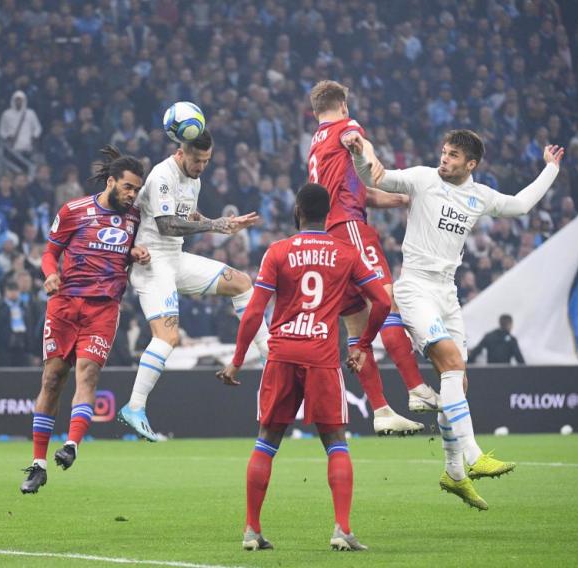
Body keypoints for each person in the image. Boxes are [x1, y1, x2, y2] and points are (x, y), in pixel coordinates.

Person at [354, 128, 563, 508]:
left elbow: (519, 205)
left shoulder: (478, 195)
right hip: (415, 287)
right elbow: (375, 177)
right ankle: (472, 453)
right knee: (451, 361)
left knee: (457, 382)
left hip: (448, 294)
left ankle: (453, 473)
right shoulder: (421, 178)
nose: (444, 159)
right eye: (444, 152)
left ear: (471, 164)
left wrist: (551, 170)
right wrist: (359, 155)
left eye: (452, 156)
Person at [217, 183, 390, 552]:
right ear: (328, 215)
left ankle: (251, 530)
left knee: (267, 440)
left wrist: (236, 361)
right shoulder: (346, 253)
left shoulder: (277, 251)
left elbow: (252, 313)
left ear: (297, 211)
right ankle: (341, 529)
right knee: (335, 442)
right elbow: (382, 301)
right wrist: (361, 343)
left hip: (281, 354)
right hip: (321, 357)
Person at [117, 128, 270, 442]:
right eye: (197, 160)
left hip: (176, 258)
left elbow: (186, 214)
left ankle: (271, 357)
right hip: (152, 263)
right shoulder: (162, 175)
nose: (202, 166)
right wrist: (215, 226)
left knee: (241, 282)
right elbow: (166, 224)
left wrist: (221, 223)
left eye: (207, 160)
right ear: (181, 152)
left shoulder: (194, 180)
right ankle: (134, 407)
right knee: (168, 337)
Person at [307, 80, 438, 435]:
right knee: (388, 302)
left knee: (356, 325)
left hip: (327, 239)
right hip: (350, 230)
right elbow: (356, 141)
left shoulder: (315, 146)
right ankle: (416, 388)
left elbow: (355, 192)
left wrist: (400, 199)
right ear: (344, 105)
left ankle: (381, 411)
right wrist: (371, 155)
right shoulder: (345, 128)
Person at [21, 146, 149, 494]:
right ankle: (38, 464)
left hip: (103, 308)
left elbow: (140, 248)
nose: (132, 194)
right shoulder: (73, 211)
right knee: (52, 379)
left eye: (137, 189)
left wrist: (136, 251)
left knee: (88, 373)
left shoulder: (136, 218)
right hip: (64, 305)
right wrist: (49, 275)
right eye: (128, 187)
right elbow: (50, 253)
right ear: (111, 181)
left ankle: (72, 445)